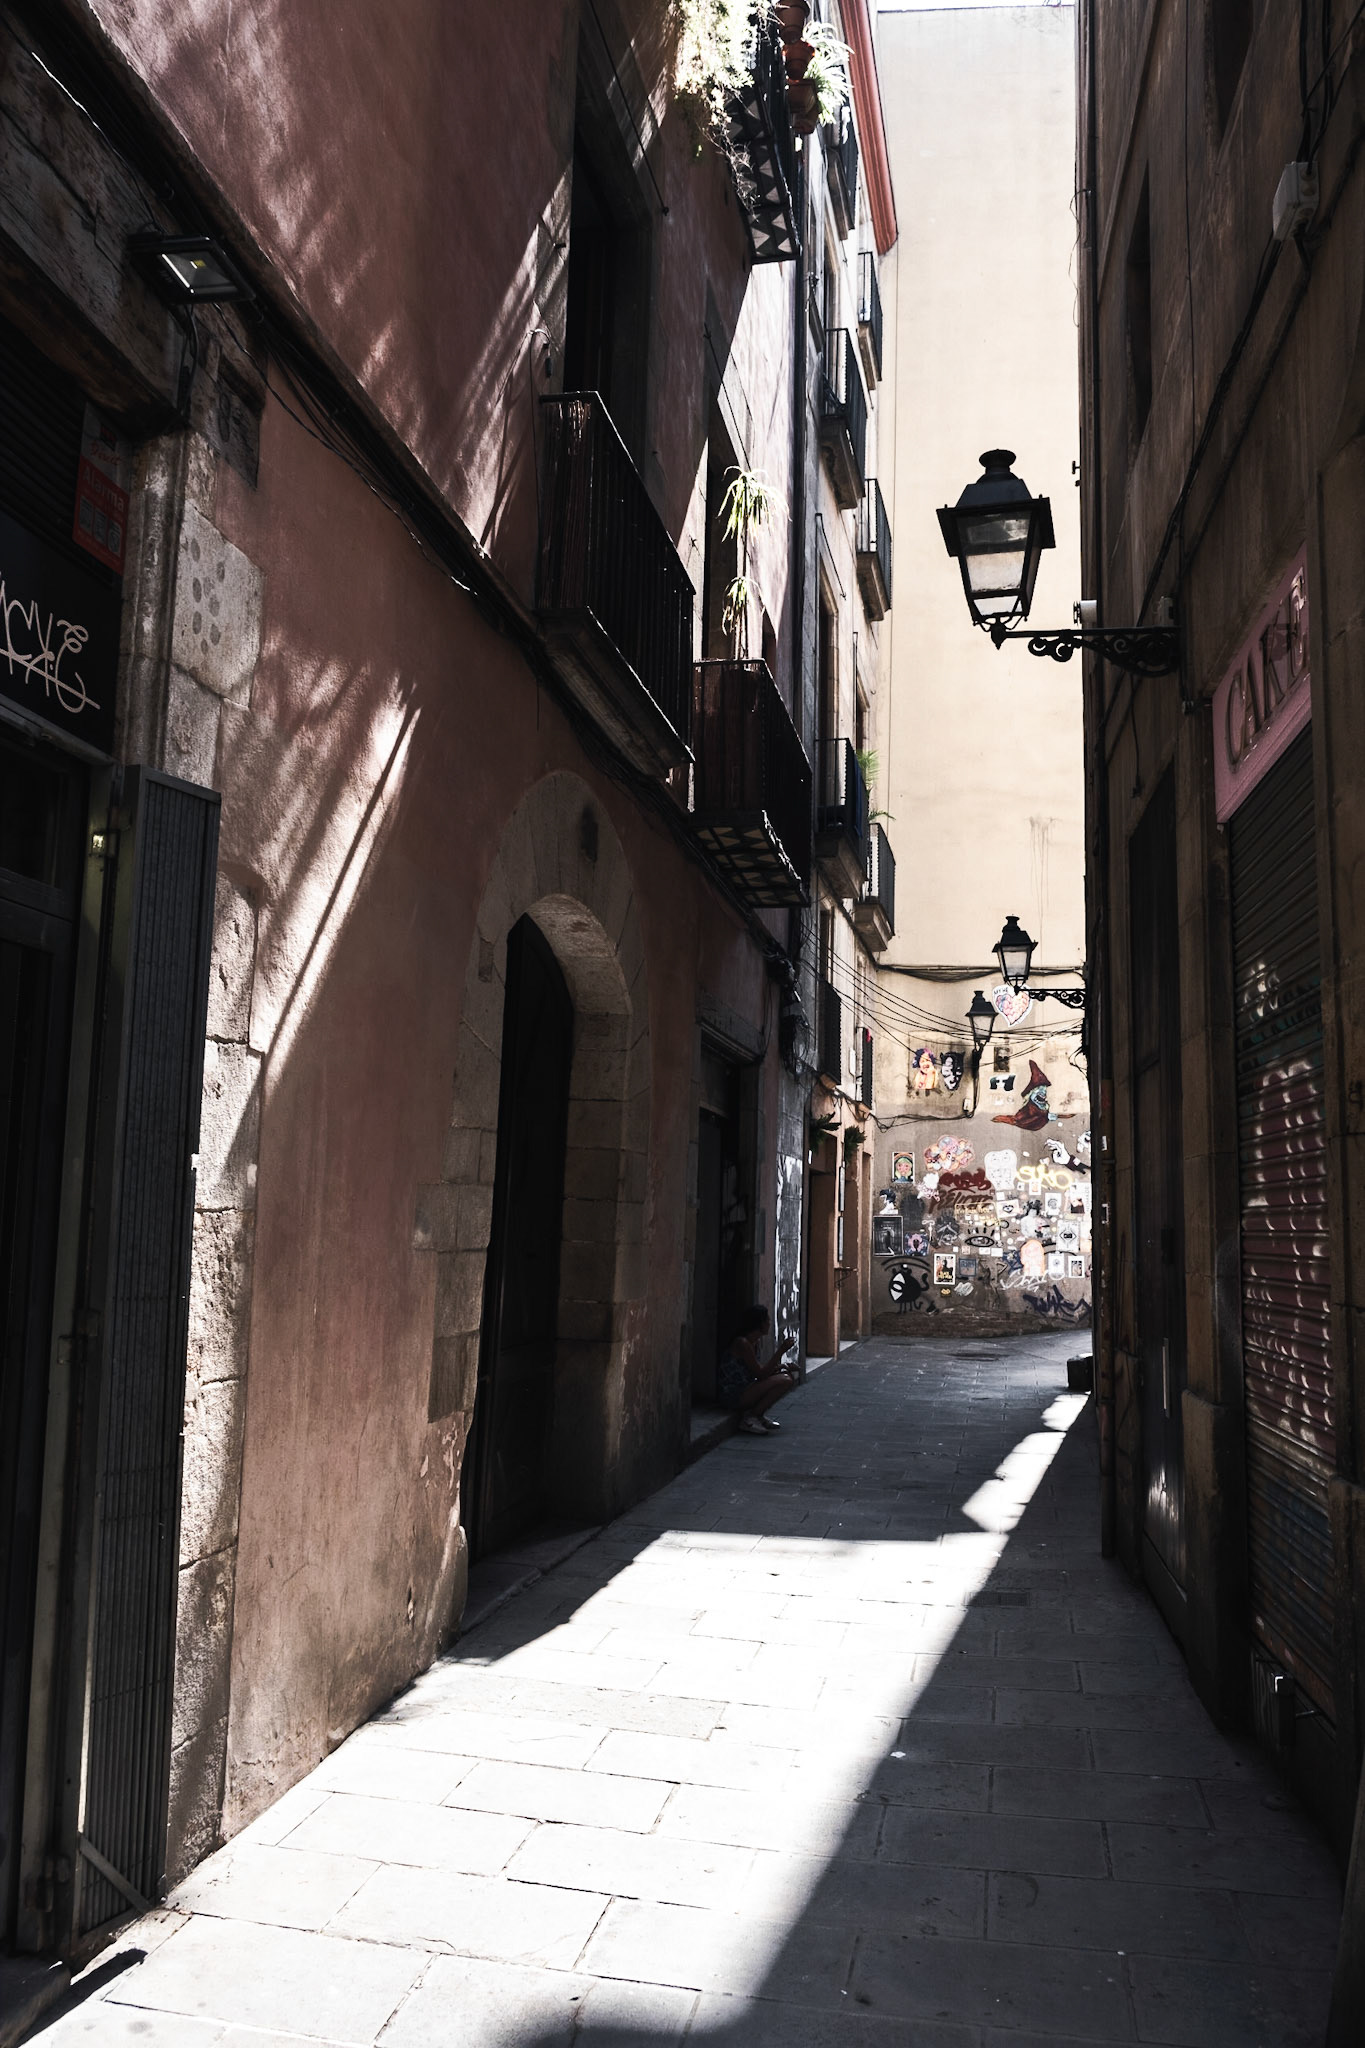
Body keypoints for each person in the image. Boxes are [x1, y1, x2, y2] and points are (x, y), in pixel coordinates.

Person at [717, 1305, 797, 1435]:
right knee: (785, 1380)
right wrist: (781, 1350)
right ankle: (751, 1418)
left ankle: (758, 1415)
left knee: (786, 1377)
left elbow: (759, 1370)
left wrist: (782, 1367)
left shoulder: (755, 1342)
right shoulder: (742, 1343)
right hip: (734, 1394)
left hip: (747, 1387)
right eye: (767, 1320)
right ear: (759, 1323)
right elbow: (760, 1374)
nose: (769, 1323)